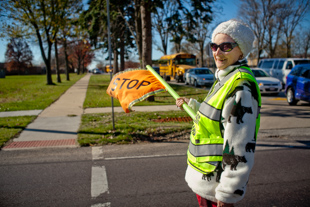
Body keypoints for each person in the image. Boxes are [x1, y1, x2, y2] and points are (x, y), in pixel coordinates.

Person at [176, 19, 261, 207]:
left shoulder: (240, 86)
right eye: (214, 46)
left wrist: (227, 193)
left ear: (241, 51)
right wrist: (193, 105)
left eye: (226, 46)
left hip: (216, 189)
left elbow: (240, 144)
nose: (217, 52)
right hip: (204, 181)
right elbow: (218, 116)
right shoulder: (224, 78)